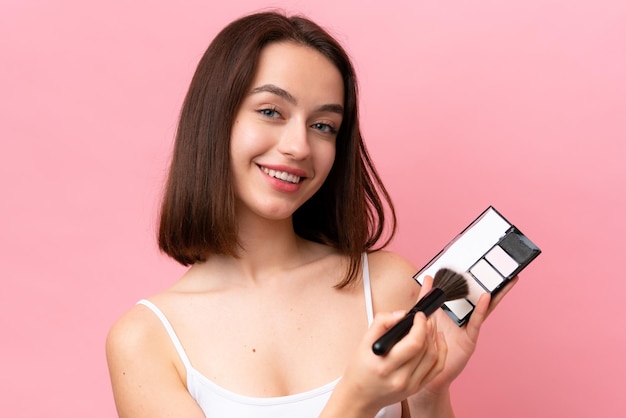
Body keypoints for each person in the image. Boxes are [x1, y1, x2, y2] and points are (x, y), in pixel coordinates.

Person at [106, 10, 517, 418]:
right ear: (215, 120)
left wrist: (430, 391)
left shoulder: (388, 288)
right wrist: (355, 400)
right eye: (271, 112)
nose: (299, 146)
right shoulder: (146, 341)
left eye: (324, 125)